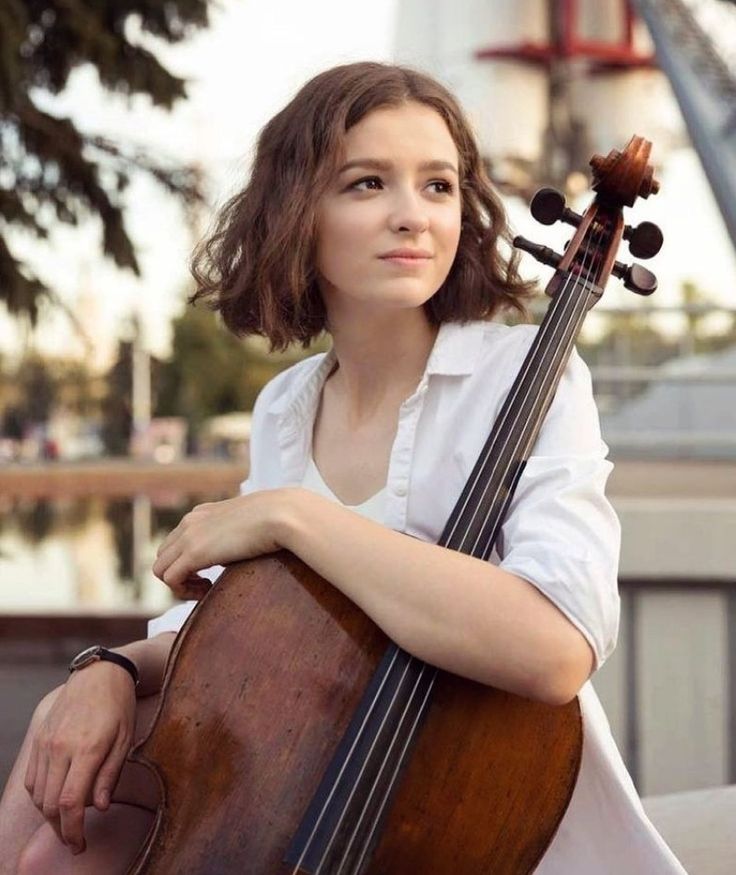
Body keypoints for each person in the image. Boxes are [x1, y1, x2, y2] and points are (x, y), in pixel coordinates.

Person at [0, 61, 686, 874]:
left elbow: (556, 647)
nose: (413, 216)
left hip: (480, 827)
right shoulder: (288, 404)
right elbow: (242, 628)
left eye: (438, 186)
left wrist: (293, 514)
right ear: (300, 213)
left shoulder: (527, 378)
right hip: (308, 782)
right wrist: (105, 670)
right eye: (367, 184)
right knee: (56, 828)